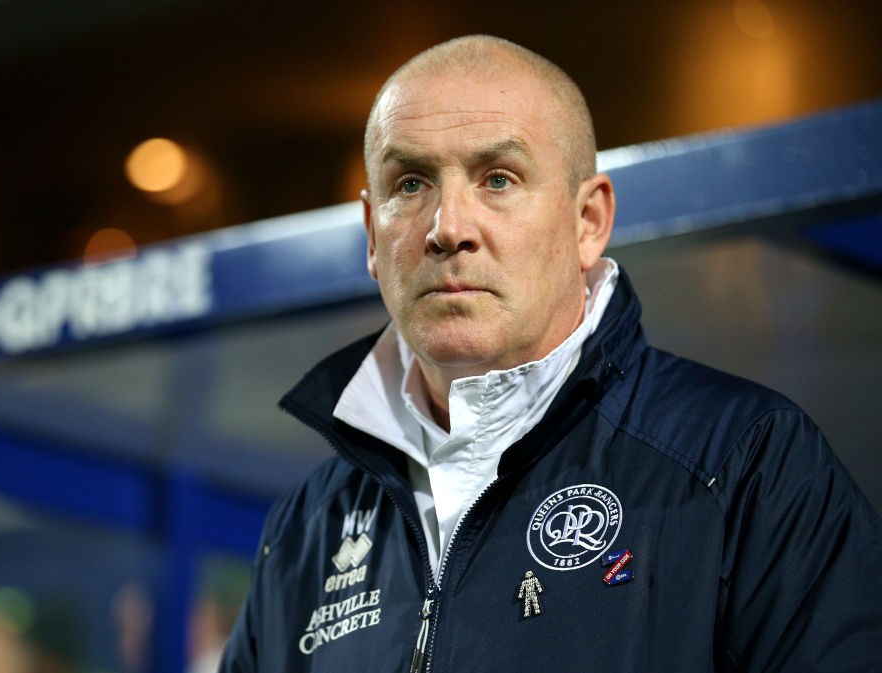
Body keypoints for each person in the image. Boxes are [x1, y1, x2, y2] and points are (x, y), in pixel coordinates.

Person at [218, 35, 882, 672]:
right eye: (412, 183)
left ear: (587, 221)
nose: (448, 227)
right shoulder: (307, 527)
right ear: (371, 234)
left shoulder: (746, 461)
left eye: (499, 178)